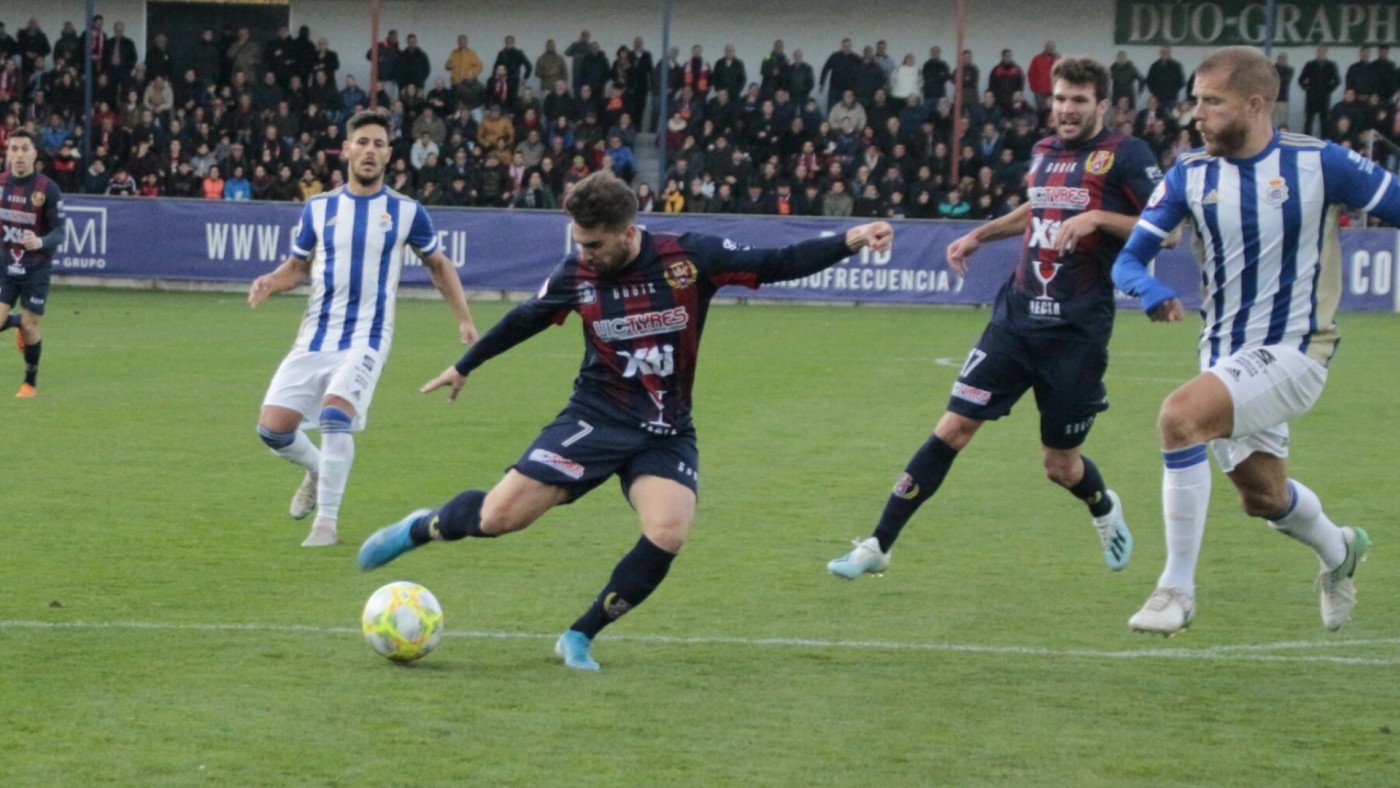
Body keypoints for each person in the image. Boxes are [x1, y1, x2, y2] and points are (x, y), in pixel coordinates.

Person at [356, 170, 893, 670]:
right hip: (595, 417)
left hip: (665, 428)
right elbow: (526, 319)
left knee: (667, 530)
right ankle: (421, 527)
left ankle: (581, 634)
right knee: (499, 520)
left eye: (593, 244)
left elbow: (780, 262)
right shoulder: (578, 273)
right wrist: (464, 365)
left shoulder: (689, 257)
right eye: (578, 242)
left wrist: (853, 237)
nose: (583, 253)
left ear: (627, 232)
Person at [828, 57, 1162, 581]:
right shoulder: (1044, 151)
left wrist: (1098, 217)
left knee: (1060, 466)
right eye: (1060, 99)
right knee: (953, 428)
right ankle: (878, 543)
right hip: (1015, 320)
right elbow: (1036, 210)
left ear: (1102, 105)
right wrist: (978, 235)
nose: (1066, 110)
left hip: (1075, 335)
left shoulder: (1127, 154)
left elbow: (1167, 231)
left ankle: (1102, 505)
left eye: (1078, 100)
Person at [1112, 46, 1400, 636]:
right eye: (1196, 100)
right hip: (1224, 354)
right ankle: (1340, 550)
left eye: (1211, 102)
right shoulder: (1190, 173)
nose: (1197, 113)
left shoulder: (1322, 163)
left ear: (1256, 104)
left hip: (1299, 350)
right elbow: (1129, 259)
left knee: (1179, 418)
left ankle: (1177, 589)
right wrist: (1147, 289)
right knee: (1263, 498)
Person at [249, 110, 478, 547]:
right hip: (314, 336)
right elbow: (297, 267)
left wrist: (464, 319)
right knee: (272, 430)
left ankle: (326, 525)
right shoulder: (320, 207)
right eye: (363, 142)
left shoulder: (407, 211)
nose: (370, 150)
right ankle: (318, 469)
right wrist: (270, 281)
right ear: (347, 150)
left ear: (389, 154)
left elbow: (439, 265)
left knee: (336, 417)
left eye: (378, 144)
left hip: (367, 338)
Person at [0, 130, 64, 398]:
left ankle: (30, 383)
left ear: (34, 154)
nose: (18, 154)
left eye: (24, 148)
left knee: (30, 325)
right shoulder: (2, 184)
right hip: (5, 264)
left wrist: (40, 241)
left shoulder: (47, 189)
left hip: (36, 266)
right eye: (13, 149)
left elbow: (60, 232)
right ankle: (13, 321)